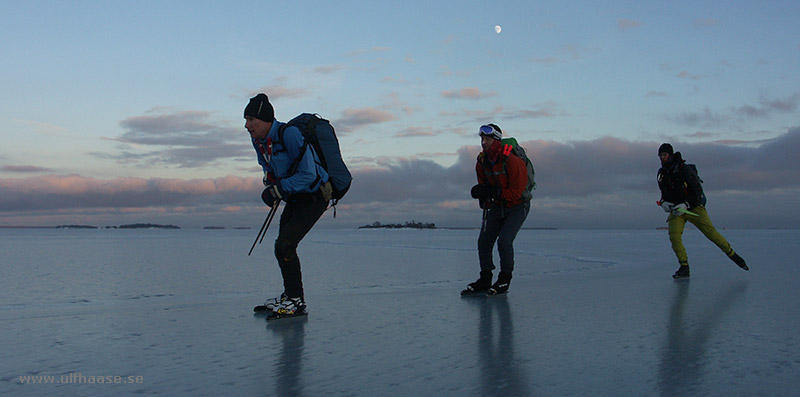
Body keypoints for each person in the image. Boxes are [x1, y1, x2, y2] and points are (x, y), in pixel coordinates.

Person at [245, 93, 330, 315]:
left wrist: (278, 190)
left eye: (251, 120)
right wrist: (271, 184)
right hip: (295, 196)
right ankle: (291, 296)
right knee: (282, 246)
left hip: (315, 195)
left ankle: (296, 301)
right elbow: (269, 168)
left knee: (285, 244)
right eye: (246, 120)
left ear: (265, 120)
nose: (247, 126)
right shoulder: (259, 141)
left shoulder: (289, 134)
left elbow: (309, 174)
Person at [656, 143, 749, 279]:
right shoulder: (662, 173)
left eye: (664, 155)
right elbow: (663, 194)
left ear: (670, 154)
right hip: (676, 211)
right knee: (674, 237)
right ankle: (684, 267)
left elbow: (697, 191)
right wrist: (664, 203)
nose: (662, 158)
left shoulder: (684, 169)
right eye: (660, 155)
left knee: (711, 234)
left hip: (694, 208)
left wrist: (686, 204)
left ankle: (734, 256)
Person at [462, 124, 530, 296]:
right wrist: (481, 194)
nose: (483, 143)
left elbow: (517, 192)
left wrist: (494, 192)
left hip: (517, 206)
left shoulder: (513, 161)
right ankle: (485, 279)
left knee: (504, 241)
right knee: (483, 242)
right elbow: (484, 184)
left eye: (487, 139)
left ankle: (504, 280)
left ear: (497, 140)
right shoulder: (482, 161)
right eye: (481, 139)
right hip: (496, 205)